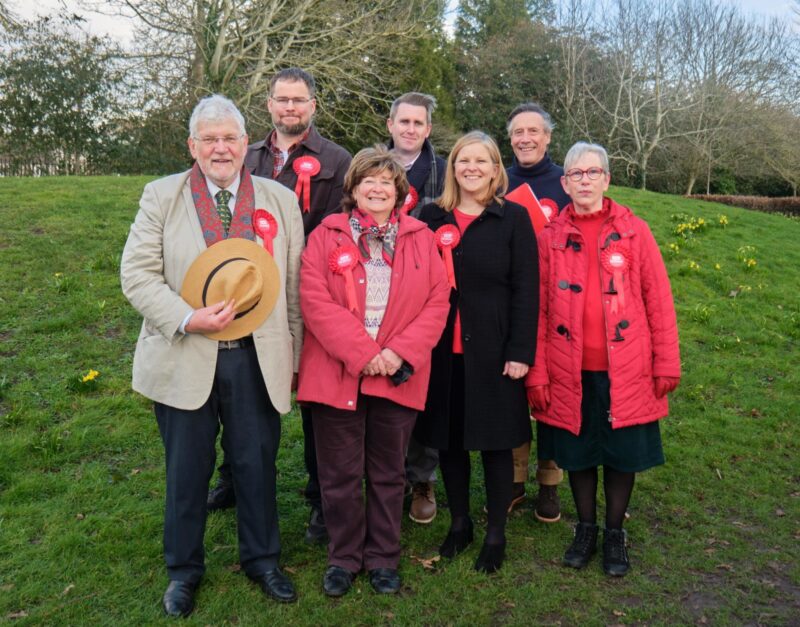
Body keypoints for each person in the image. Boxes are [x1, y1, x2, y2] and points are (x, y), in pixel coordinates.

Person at [120, 94, 305, 616]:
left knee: (256, 464)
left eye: (230, 138)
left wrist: (295, 356)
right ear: (193, 146)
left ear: (247, 144)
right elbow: (136, 275)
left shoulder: (279, 199)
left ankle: (263, 560)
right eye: (210, 139)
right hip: (186, 352)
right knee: (187, 470)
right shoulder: (161, 197)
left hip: (257, 357)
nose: (220, 148)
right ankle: (183, 571)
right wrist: (186, 317)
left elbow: (293, 286)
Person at [297, 146, 450, 596]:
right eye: (369, 180)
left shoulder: (421, 236)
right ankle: (344, 557)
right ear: (354, 188)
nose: (378, 188)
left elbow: (437, 302)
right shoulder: (327, 233)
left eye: (386, 181)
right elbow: (315, 300)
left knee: (388, 473)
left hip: (398, 372)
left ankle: (383, 556)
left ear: (400, 190)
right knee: (339, 474)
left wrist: (398, 353)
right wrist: (364, 354)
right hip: (338, 371)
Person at [208, 67, 351, 546]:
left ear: (314, 105)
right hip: (247, 295)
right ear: (268, 104)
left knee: (315, 401)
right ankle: (231, 476)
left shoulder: (337, 159)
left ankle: (320, 500)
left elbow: (341, 231)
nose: (291, 107)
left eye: (300, 100)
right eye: (282, 100)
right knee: (237, 386)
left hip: (314, 291)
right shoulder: (241, 155)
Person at [527, 141, 680, 576]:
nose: (585, 180)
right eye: (576, 174)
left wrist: (666, 362)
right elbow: (536, 309)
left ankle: (615, 533)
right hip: (567, 367)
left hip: (626, 368)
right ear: (565, 182)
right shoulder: (549, 237)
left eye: (593, 173)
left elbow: (659, 300)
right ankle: (586, 528)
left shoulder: (636, 230)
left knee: (619, 454)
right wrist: (536, 371)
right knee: (577, 453)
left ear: (607, 179)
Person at [416, 131, 538, 573]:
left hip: (495, 350)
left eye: (481, 161)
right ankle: (460, 523)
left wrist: (521, 349)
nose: (471, 168)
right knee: (449, 440)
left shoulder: (513, 219)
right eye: (463, 160)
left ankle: (496, 534)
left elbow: (528, 289)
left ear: (494, 168)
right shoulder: (431, 216)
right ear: (453, 168)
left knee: (496, 443)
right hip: (441, 351)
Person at [505, 103, 570, 523]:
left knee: (554, 390)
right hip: (511, 297)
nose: (525, 139)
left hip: (561, 299)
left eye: (534, 131)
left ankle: (550, 481)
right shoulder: (500, 179)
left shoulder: (565, 181)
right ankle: (513, 478)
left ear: (547, 137)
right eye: (517, 132)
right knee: (512, 388)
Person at [386, 91, 447, 524]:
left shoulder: (445, 173)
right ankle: (389, 476)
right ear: (390, 125)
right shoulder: (370, 165)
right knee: (384, 384)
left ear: (428, 129)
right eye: (403, 122)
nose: (410, 129)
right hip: (376, 292)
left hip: (430, 290)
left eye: (418, 123)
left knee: (427, 386)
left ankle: (422, 475)